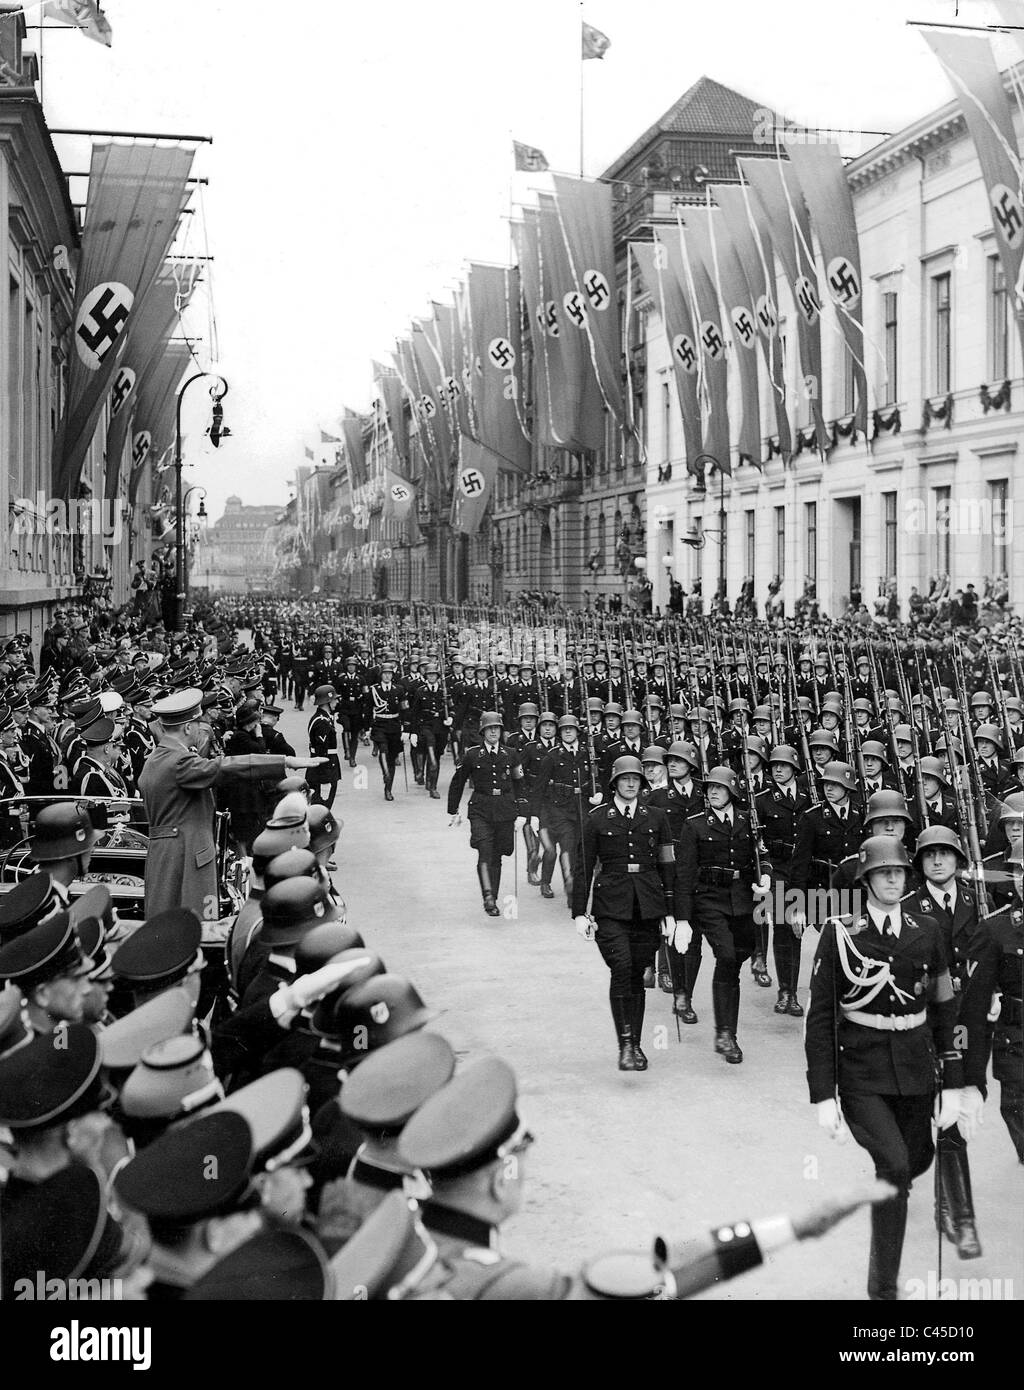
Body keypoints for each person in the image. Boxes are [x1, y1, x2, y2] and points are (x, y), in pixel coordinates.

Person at [395, 1055, 892, 1300]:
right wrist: (799, 1226)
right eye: (523, 1156)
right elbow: (642, 1283)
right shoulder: (498, 1283)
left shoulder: (397, 1235)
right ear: (502, 1176)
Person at [805, 836, 964, 1301]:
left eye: (899, 872)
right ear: (867, 879)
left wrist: (952, 1083)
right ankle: (883, 1290)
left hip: (916, 1069)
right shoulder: (841, 933)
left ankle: (887, 1189)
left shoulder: (928, 928)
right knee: (894, 1166)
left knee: (916, 1160)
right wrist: (823, 1094)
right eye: (883, 873)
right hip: (862, 1070)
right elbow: (819, 1019)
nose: (893, 879)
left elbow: (944, 1009)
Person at [138, 688, 323, 922]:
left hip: (166, 852)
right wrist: (284, 761)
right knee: (198, 921)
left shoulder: (157, 758)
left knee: (166, 917)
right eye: (198, 723)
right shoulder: (179, 761)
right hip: (186, 852)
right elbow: (225, 767)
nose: (201, 728)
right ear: (187, 727)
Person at [572, 755, 681, 1072]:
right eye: (625, 779)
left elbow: (667, 865)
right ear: (614, 783)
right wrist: (580, 912)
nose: (631, 784)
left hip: (648, 905)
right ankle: (626, 1044)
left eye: (636, 780)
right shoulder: (596, 819)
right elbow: (583, 868)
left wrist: (671, 912)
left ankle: (635, 1043)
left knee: (636, 972)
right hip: (610, 906)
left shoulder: (657, 818)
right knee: (620, 965)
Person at [675, 767, 772, 1064]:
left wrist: (765, 875)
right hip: (708, 900)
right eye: (709, 789)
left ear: (732, 791)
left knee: (736, 961)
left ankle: (727, 1030)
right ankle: (726, 1033)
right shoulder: (694, 826)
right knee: (727, 957)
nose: (713, 792)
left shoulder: (747, 822)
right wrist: (682, 919)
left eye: (719, 788)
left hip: (741, 900)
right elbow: (684, 873)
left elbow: (762, 855)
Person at [447, 711, 525, 917]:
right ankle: (488, 897)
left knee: (499, 853)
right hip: (480, 808)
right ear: (482, 731)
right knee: (485, 851)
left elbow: (520, 784)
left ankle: (494, 896)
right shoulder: (472, 754)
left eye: (496, 728)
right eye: (489, 728)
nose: (493, 732)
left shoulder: (511, 754)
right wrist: (453, 810)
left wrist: (523, 813)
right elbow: (458, 782)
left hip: (505, 809)